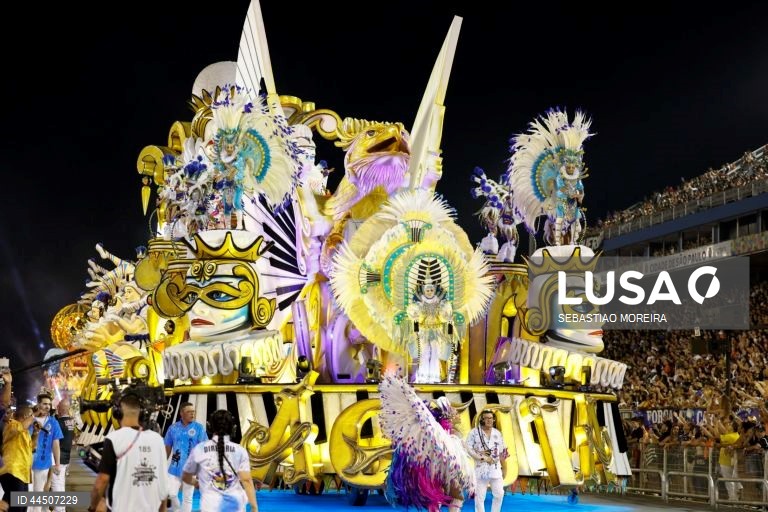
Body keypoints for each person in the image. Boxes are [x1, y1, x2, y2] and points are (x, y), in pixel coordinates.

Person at [378, 371, 473, 512]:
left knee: (453, 496)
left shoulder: (449, 435)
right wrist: (411, 395)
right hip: (436, 468)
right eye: (453, 410)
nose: (456, 413)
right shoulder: (436, 431)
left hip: (444, 469)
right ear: (447, 413)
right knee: (442, 497)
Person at [89, 393, 169, 512]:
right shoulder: (158, 440)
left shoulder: (114, 438)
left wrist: (93, 507)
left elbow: (102, 480)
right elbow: (163, 485)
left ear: (117, 413)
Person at [181, 410, 258, 512]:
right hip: (236, 506)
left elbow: (186, 476)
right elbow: (247, 481)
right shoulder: (240, 451)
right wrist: (254, 507)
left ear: (209, 427)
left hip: (209, 507)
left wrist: (197, 483)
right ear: (233, 428)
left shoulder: (199, 449)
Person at [164, 402, 207, 512]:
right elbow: (167, 447)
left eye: (193, 412)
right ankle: (178, 510)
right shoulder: (173, 428)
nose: (192, 414)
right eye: (189, 412)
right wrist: (162, 464)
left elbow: (204, 448)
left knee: (188, 498)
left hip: (191, 469)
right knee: (171, 494)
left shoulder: (199, 428)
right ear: (181, 413)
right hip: (174, 468)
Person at [466, 410, 508, 512]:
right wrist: (480, 455)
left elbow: (503, 451)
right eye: (486, 418)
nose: (489, 420)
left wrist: (505, 467)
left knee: (499, 494)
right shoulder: (474, 433)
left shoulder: (497, 433)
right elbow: (468, 448)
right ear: (482, 419)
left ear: (493, 420)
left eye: (490, 418)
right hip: (481, 469)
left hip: (495, 468)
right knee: (479, 497)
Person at [0, 405, 40, 512]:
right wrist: (34, 415)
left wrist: (36, 433)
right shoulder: (11, 424)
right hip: (12, 471)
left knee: (22, 506)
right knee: (16, 507)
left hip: (22, 473)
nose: (33, 419)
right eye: (30, 416)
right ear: (25, 416)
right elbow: (19, 428)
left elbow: (31, 448)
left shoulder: (25, 432)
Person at [29, 391, 63, 512]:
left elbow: (56, 444)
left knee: (38, 493)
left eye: (49, 404)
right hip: (26, 462)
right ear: (38, 405)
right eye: (44, 404)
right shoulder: (29, 420)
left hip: (42, 463)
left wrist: (57, 464)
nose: (47, 406)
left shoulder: (53, 422)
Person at [51, 398, 76, 512]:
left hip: (58, 458)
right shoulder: (71, 422)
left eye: (58, 406)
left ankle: (58, 509)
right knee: (61, 484)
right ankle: (61, 508)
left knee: (56, 484)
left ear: (60, 409)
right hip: (66, 458)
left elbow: (54, 441)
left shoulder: (58, 423)